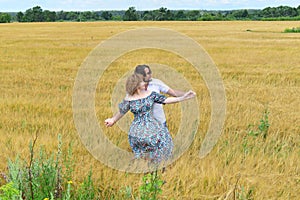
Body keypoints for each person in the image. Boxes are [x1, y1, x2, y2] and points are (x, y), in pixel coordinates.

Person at [105, 73, 196, 164]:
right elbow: (122, 111)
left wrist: (183, 97)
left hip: (137, 129)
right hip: (147, 128)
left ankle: (148, 165)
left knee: (151, 149)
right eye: (142, 82)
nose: (145, 83)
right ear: (136, 84)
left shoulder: (146, 95)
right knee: (164, 141)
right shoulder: (133, 97)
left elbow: (166, 100)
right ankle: (156, 166)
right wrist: (112, 120)